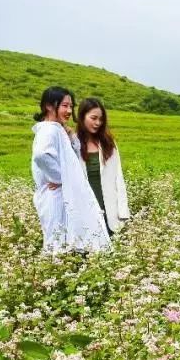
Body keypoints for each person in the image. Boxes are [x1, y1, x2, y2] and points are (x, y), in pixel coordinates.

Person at [31, 87, 110, 254]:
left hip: (61, 195)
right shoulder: (49, 129)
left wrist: (71, 136)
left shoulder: (56, 128)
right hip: (56, 196)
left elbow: (71, 156)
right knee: (58, 243)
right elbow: (41, 155)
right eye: (65, 106)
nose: (69, 111)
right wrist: (59, 178)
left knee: (65, 241)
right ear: (49, 106)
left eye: (71, 107)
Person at [76, 97, 131, 235]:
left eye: (101, 119)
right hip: (85, 212)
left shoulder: (108, 143)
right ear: (82, 116)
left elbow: (119, 177)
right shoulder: (73, 144)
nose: (98, 123)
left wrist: (123, 212)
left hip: (110, 212)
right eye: (93, 118)